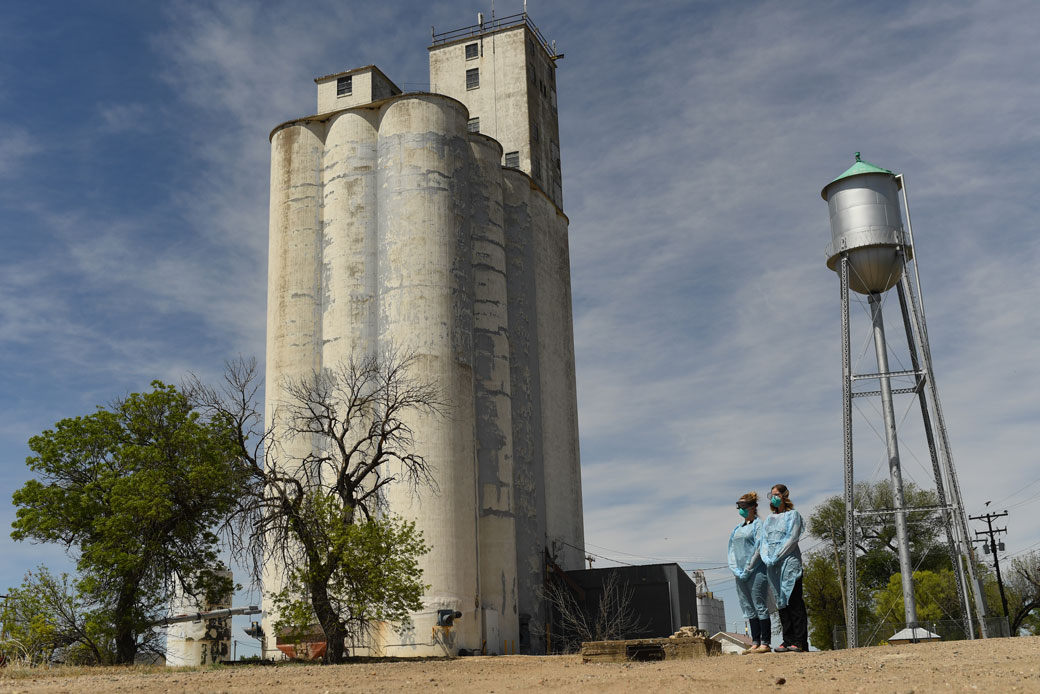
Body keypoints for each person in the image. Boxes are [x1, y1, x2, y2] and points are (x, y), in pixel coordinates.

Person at [760, 483, 808, 653]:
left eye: (776, 494)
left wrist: (778, 555)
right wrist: (767, 557)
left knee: (794, 601)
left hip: (789, 564)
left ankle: (799, 641)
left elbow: (792, 538)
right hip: (773, 567)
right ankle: (787, 640)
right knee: (781, 603)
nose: (773, 497)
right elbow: (764, 541)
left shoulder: (793, 515)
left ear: (784, 495)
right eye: (771, 495)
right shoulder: (769, 520)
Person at [728, 492, 772, 654]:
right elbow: (731, 550)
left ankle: (765, 642)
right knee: (748, 607)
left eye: (744, 506)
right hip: (739, 573)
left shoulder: (759, 525)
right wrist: (735, 568)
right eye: (738, 506)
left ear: (753, 507)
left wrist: (748, 568)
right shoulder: (737, 529)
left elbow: (759, 547)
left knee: (759, 604)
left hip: (756, 571)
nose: (740, 509)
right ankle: (755, 641)